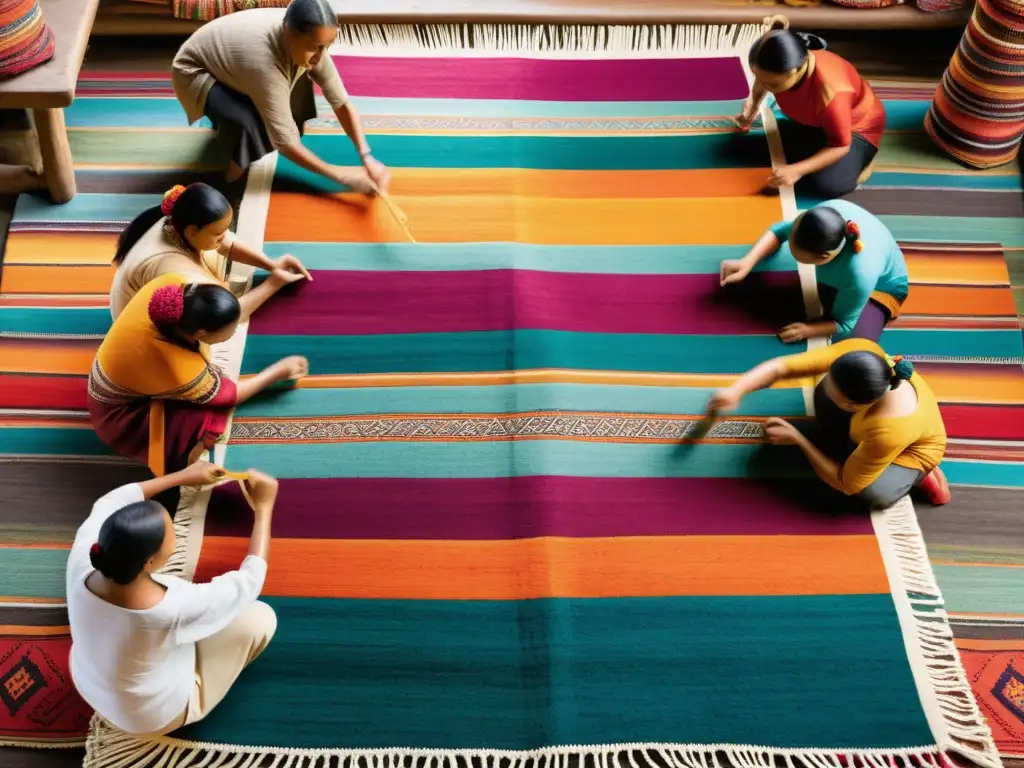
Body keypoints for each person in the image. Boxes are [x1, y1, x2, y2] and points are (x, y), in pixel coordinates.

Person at [67, 462, 281, 736]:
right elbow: (249, 582)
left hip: (88, 681)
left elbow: (110, 501)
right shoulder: (172, 607)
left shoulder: (83, 558)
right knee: (259, 619)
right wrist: (264, 509)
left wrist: (183, 477)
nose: (174, 538)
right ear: (150, 561)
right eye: (172, 536)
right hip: (149, 717)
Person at [88, 272, 308, 514]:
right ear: (201, 334)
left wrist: (273, 282)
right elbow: (228, 395)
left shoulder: (170, 289)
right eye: (230, 331)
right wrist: (276, 372)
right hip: (121, 416)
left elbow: (228, 312)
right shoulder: (177, 366)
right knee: (203, 417)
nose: (234, 332)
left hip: (115, 376)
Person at [708, 338, 951, 510]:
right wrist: (735, 391)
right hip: (866, 430)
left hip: (907, 452)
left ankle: (921, 476)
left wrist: (799, 440)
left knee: (873, 494)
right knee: (823, 395)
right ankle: (852, 446)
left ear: (859, 405)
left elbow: (847, 483)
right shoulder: (862, 352)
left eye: (841, 400)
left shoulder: (890, 429)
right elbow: (782, 367)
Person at [172, 0, 387, 191]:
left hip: (230, 63)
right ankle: (228, 178)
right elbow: (284, 142)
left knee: (297, 98)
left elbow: (341, 103)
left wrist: (366, 156)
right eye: (315, 48)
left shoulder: (305, 38)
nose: (321, 57)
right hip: (195, 71)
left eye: (326, 47)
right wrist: (342, 177)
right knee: (253, 125)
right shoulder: (262, 62)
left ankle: (229, 128)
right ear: (287, 33)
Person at [111, 183, 311, 320]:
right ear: (192, 231)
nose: (225, 237)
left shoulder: (178, 221)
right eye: (218, 233)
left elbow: (226, 243)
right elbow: (228, 312)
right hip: (138, 326)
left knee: (213, 249)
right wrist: (273, 283)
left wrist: (270, 264)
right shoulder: (172, 267)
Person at [719, 199, 908, 344]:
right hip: (850, 275)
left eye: (794, 250)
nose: (789, 241)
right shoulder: (824, 213)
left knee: (855, 344)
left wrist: (808, 330)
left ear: (823, 257)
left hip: (881, 291)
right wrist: (747, 262)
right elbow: (780, 231)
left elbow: (845, 324)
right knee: (773, 258)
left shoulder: (859, 274)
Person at [736, 28, 885, 198]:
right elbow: (762, 80)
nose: (765, 85)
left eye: (773, 84)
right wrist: (752, 107)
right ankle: (814, 150)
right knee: (749, 149)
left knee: (827, 185)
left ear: (797, 69)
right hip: (816, 123)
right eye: (759, 77)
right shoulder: (780, 65)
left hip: (856, 130)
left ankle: (862, 162)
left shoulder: (832, 92)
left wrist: (797, 170)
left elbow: (841, 145)